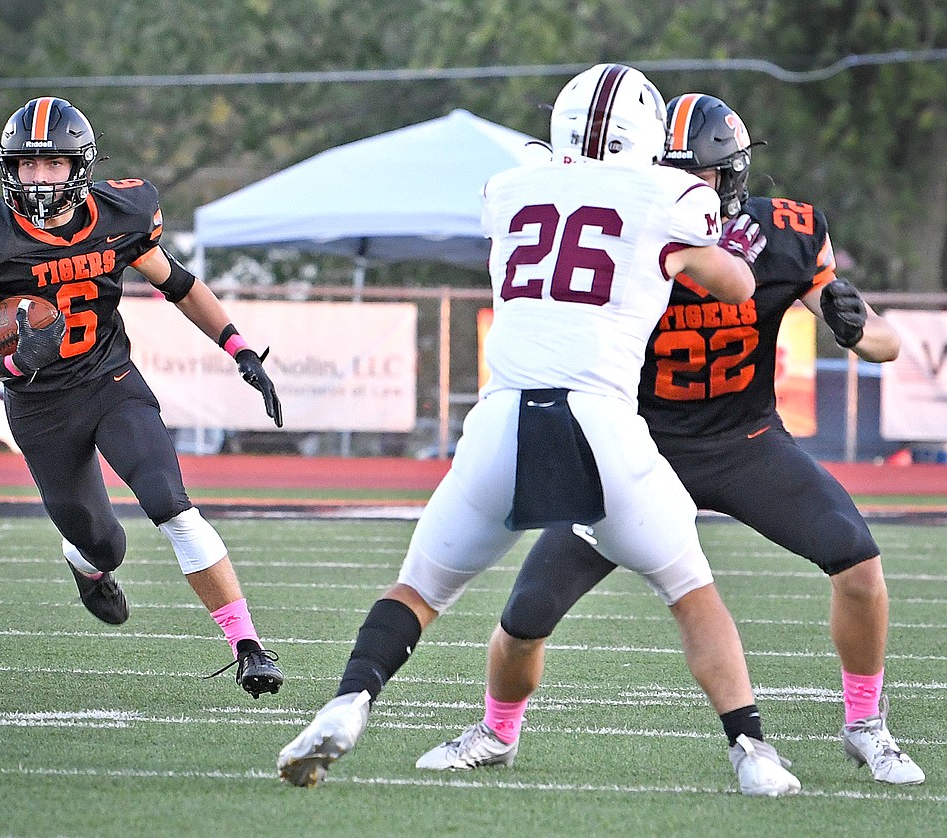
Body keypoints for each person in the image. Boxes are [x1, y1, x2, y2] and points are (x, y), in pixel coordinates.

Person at [278, 64, 800, 796]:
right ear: (645, 138)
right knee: (690, 592)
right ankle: (752, 752)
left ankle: (350, 700)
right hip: (601, 425)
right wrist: (735, 250)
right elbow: (735, 285)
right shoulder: (670, 196)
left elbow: (563, 195)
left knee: (419, 589)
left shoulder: (510, 186)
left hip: (500, 421)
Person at [419, 93, 924, 786]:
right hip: (633, 446)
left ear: (732, 175)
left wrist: (851, 323)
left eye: (704, 175)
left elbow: (885, 345)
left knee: (859, 564)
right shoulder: (629, 229)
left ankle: (866, 725)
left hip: (746, 443)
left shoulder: (788, 234)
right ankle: (497, 731)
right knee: (527, 612)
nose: (690, 187)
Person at [0, 96, 284, 699]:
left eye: (52, 165)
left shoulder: (122, 213)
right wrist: (14, 360)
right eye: (26, 165)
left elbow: (180, 285)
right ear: (8, 168)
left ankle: (248, 646)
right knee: (103, 541)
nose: (39, 178)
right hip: (41, 407)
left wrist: (240, 349)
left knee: (171, 505)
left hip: (110, 384)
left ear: (81, 165)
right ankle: (86, 564)